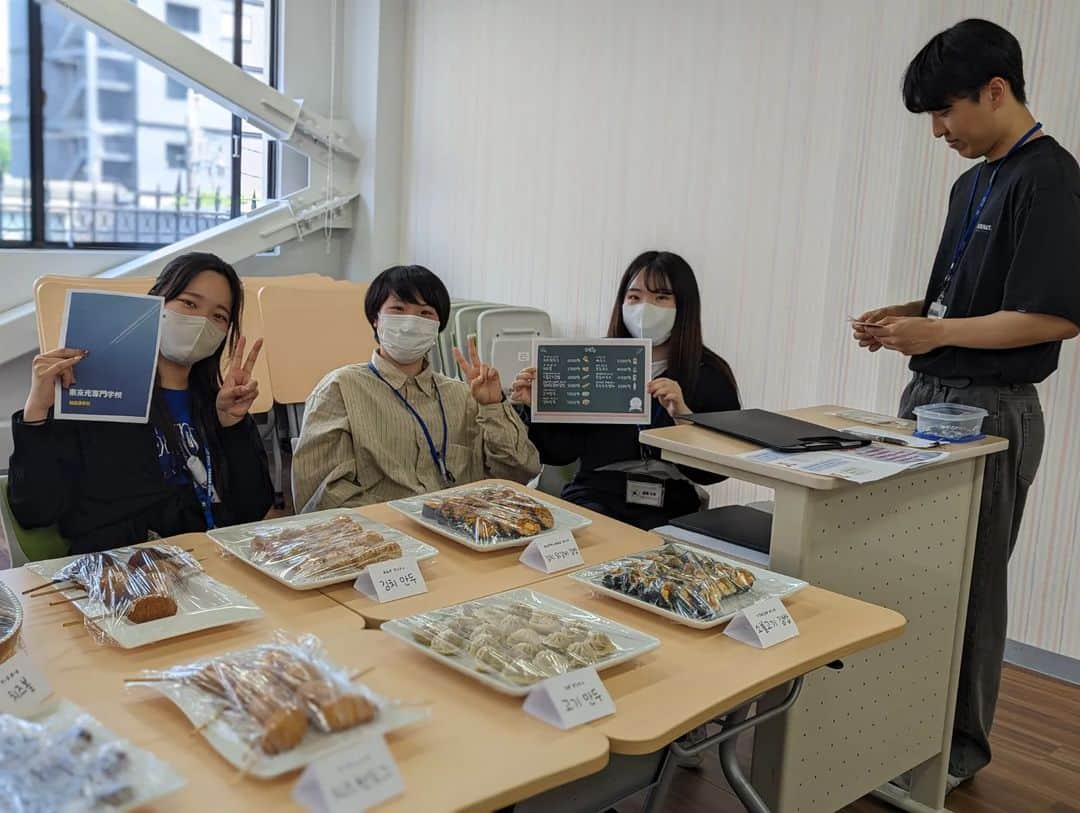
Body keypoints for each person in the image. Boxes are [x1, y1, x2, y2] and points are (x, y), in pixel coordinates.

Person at [853, 19, 1080, 787]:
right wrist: (905, 316)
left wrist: (934, 329)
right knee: (912, 571)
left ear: (997, 89)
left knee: (973, 585)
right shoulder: (972, 179)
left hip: (993, 409)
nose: (939, 132)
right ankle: (901, 729)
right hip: (932, 397)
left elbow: (1051, 315)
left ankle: (955, 752)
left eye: (946, 112)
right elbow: (963, 300)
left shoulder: (1049, 178)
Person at [7, 252, 273, 554]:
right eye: (189, 303)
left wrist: (232, 427)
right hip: (124, 574)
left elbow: (253, 508)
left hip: (215, 563)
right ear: (156, 303)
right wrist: (37, 411)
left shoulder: (217, 404)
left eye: (219, 316)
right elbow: (35, 511)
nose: (201, 321)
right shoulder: (99, 397)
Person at [511, 251, 740, 530]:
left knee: (662, 550)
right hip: (596, 493)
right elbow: (560, 453)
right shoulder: (593, 361)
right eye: (634, 297)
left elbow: (715, 472)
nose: (645, 307)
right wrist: (539, 407)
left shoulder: (709, 375)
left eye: (661, 297)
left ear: (685, 306)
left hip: (672, 502)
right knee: (592, 539)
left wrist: (684, 418)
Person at [291, 265, 540, 510]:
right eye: (398, 310)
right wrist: (407, 524)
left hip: (464, 534)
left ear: (437, 327)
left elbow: (519, 472)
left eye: (425, 313)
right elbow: (322, 496)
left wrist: (493, 407)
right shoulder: (340, 389)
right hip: (382, 540)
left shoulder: (463, 395)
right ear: (376, 319)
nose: (410, 323)